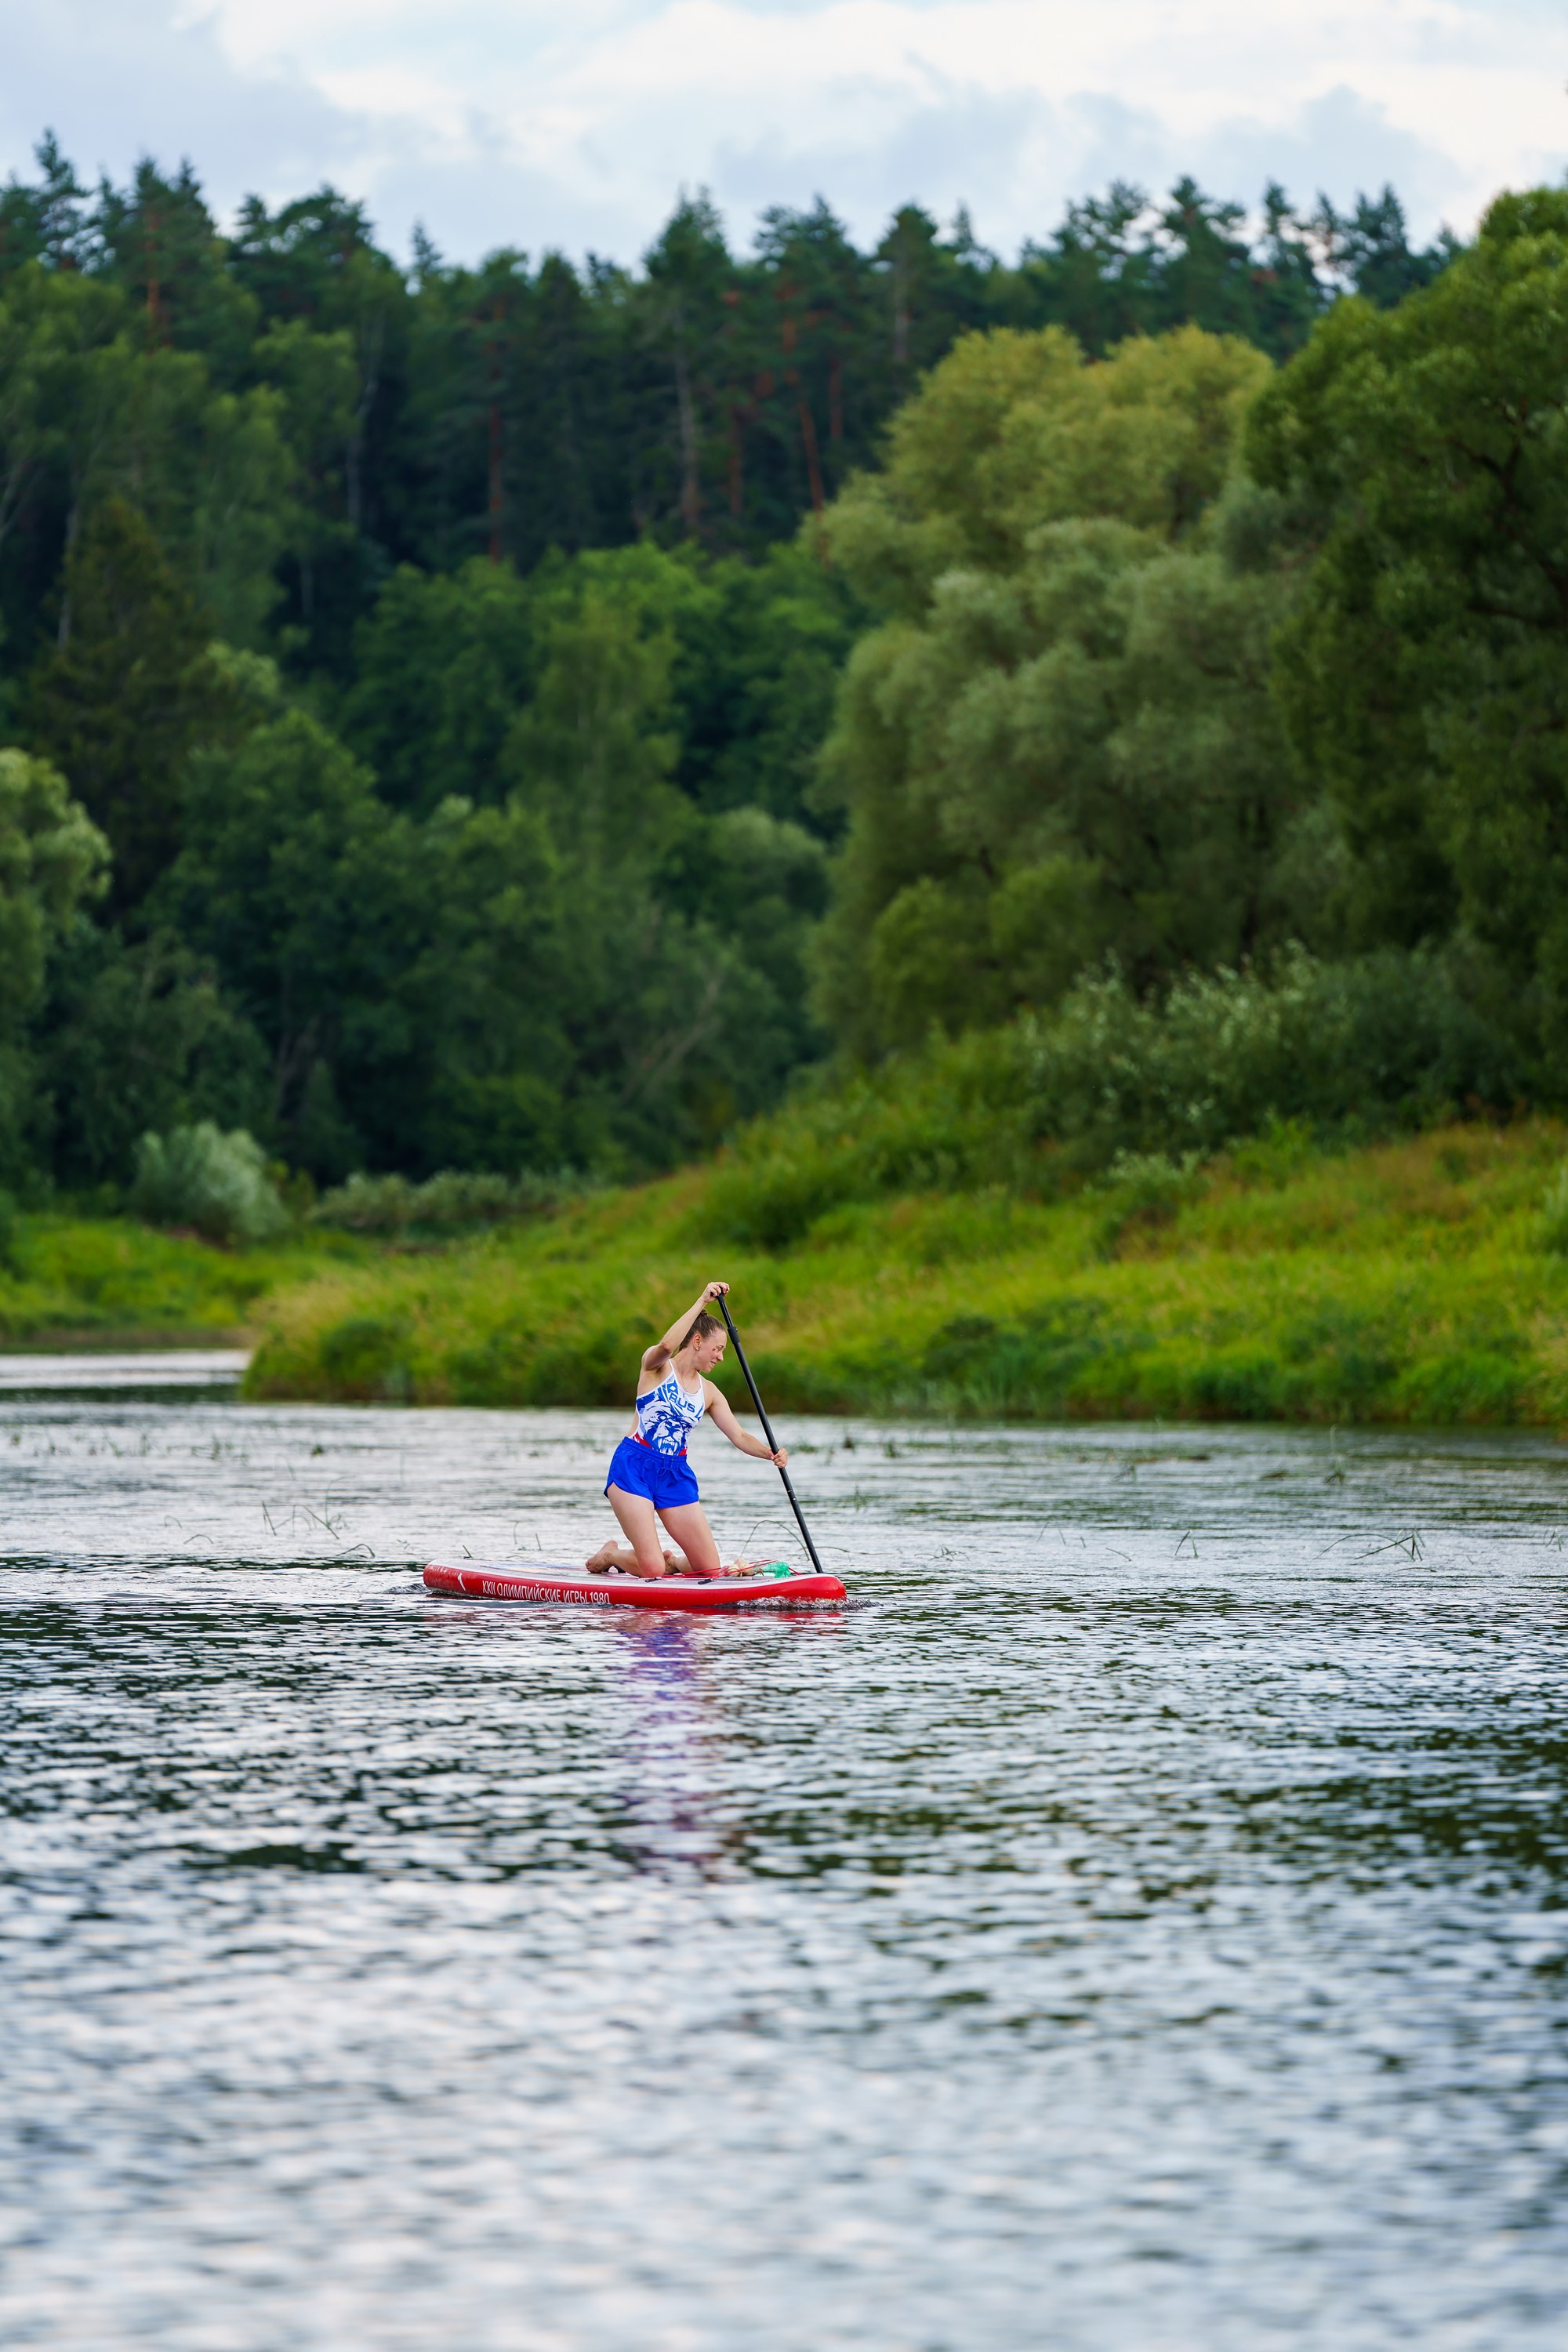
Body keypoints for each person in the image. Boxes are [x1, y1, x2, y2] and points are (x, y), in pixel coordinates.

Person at [584, 1280, 787, 1578]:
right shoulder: (656, 1368)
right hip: (634, 1468)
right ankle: (612, 1554)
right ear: (697, 1342)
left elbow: (739, 1436)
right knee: (652, 1569)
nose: (720, 1356)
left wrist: (770, 1453)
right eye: (717, 1349)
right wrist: (702, 1301)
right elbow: (667, 1346)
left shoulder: (710, 1392)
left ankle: (675, 1563)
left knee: (710, 1569)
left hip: (675, 1474)